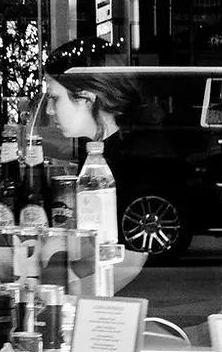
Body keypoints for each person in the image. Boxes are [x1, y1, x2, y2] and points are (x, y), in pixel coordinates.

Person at [41, 37, 151, 287]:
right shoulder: (100, 155)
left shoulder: (126, 164)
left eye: (55, 98)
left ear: (86, 97)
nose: (49, 110)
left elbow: (129, 261)